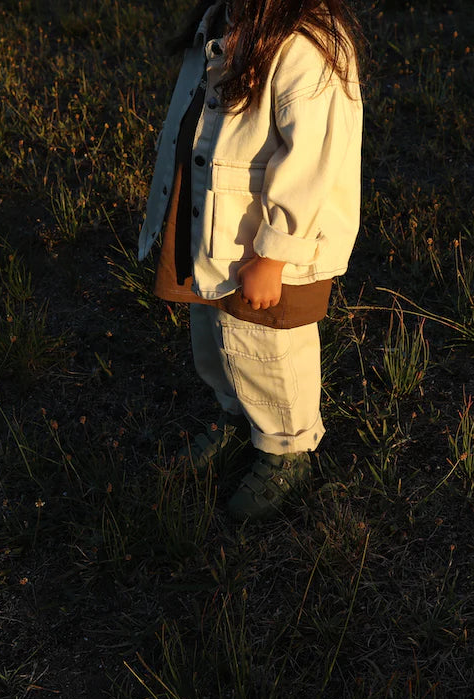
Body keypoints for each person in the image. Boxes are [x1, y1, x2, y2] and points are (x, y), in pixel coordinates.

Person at [137, 0, 363, 521]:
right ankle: (235, 413)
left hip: (268, 242)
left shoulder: (307, 45)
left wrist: (276, 253)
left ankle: (286, 447)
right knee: (211, 331)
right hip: (211, 215)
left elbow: (314, 162)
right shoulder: (225, 18)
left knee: (266, 348)